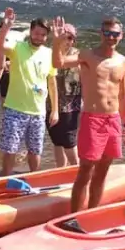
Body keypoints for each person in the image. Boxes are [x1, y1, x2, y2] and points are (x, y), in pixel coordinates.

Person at [52, 14, 125, 211]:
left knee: (103, 171)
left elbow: (123, 95)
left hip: (113, 120)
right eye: (107, 33)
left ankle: (92, 213)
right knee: (85, 170)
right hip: (93, 119)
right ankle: (72, 218)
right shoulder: (87, 55)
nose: (111, 37)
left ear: (121, 35)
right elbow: (58, 63)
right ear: (101, 33)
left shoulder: (122, 61)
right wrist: (56, 42)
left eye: (115, 34)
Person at [0, 8, 58, 175]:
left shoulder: (49, 54)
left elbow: (52, 83)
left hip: (38, 112)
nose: (39, 37)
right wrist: (6, 26)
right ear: (30, 31)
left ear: (47, 36)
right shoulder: (17, 48)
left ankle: (34, 179)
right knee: (10, 149)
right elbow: (0, 45)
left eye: (43, 35)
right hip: (15, 109)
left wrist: (55, 111)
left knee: (35, 150)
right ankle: (4, 180)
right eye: (36, 33)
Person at [48, 22, 83, 167]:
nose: (68, 41)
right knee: (57, 140)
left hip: (71, 105)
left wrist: (86, 100)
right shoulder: (48, 53)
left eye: (71, 38)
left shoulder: (78, 56)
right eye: (64, 37)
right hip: (50, 103)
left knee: (69, 140)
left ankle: (76, 170)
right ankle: (60, 171)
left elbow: (86, 79)